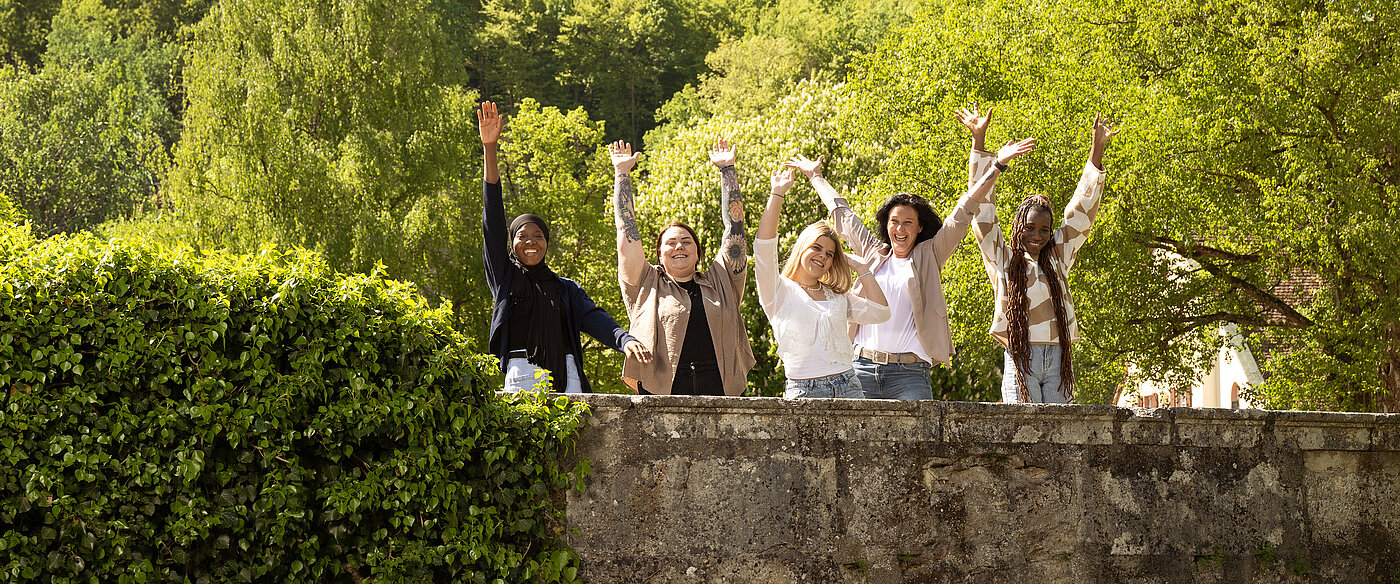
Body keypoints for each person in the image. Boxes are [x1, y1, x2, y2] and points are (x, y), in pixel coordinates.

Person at [786, 106, 1035, 400]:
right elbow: (844, 216)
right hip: (861, 368)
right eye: (894, 222)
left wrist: (996, 166)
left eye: (908, 223)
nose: (900, 229)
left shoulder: (929, 255)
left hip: (910, 375)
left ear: (919, 229)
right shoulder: (873, 253)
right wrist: (816, 177)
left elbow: (964, 211)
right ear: (887, 226)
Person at [478, 101, 650, 393]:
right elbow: (492, 219)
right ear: (512, 243)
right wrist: (490, 148)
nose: (531, 241)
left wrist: (624, 339)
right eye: (522, 236)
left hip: (568, 375)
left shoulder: (565, 288)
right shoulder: (505, 276)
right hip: (522, 373)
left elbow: (594, 318)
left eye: (538, 236)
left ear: (546, 243)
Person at [972, 113, 1119, 403]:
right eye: (1029, 228)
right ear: (1018, 228)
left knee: (1060, 436)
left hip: (1058, 358)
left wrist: (1097, 149)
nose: (1037, 236)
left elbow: (1082, 213)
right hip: (1020, 355)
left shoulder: (1057, 258)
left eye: (1043, 229)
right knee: (1024, 435)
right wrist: (980, 143)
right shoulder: (1004, 258)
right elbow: (982, 214)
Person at [609, 139, 755, 396]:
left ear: (697, 252)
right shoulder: (644, 282)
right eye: (671, 243)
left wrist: (727, 170)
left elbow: (735, 230)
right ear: (659, 255)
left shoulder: (722, 280)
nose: (679, 247)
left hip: (723, 392)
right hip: (662, 391)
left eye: (687, 242)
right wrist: (622, 173)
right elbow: (626, 230)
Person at [755, 166, 891, 398]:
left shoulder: (837, 295)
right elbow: (764, 248)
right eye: (816, 248)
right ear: (801, 248)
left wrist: (862, 269)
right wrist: (776, 194)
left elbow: (880, 313)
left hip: (848, 385)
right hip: (803, 391)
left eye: (829, 254)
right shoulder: (778, 290)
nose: (822, 257)